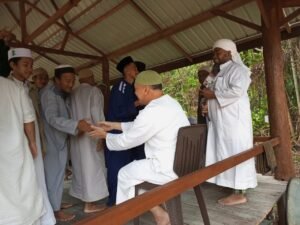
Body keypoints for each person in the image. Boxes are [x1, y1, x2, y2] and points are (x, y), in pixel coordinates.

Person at [89, 70, 190, 225]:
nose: (134, 94)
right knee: (134, 175)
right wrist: (114, 125)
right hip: (183, 164)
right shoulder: (171, 103)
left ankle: (129, 217)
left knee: (124, 174)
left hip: (165, 167)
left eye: (135, 90)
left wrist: (105, 136)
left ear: (145, 89)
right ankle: (160, 212)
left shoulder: (152, 111)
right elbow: (140, 127)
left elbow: (128, 141)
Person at [200, 39, 257, 206]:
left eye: (218, 52)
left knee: (236, 152)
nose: (214, 55)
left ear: (229, 53)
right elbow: (206, 88)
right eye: (214, 52)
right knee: (224, 153)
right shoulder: (218, 72)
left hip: (234, 123)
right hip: (222, 124)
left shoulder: (239, 70)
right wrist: (208, 104)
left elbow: (237, 91)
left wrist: (214, 96)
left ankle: (239, 193)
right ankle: (231, 185)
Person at [7, 48, 56, 225]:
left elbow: (37, 119)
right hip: (17, 144)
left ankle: (44, 217)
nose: (29, 69)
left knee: (38, 178)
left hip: (34, 141)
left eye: (31, 65)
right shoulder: (7, 87)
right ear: (12, 65)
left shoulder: (32, 89)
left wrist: (38, 143)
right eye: (25, 65)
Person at [40, 65, 92, 222]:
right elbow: (52, 118)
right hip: (52, 143)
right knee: (53, 177)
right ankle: (54, 212)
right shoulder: (49, 94)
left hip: (59, 141)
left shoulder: (60, 93)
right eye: (67, 81)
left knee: (57, 176)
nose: (71, 84)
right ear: (56, 80)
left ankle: (55, 204)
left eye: (73, 81)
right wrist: (76, 125)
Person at [0, 77, 44, 225]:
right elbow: (28, 120)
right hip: (16, 147)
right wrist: (32, 142)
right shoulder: (14, 88)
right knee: (22, 185)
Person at [105, 56, 146, 206]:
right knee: (118, 169)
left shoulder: (134, 87)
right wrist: (137, 103)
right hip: (118, 134)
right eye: (134, 68)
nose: (136, 71)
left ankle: (132, 200)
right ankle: (114, 204)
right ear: (126, 70)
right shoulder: (120, 86)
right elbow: (118, 112)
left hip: (133, 134)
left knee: (135, 166)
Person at [69, 68, 108, 213]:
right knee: (93, 168)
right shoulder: (94, 91)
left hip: (76, 134)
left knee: (80, 168)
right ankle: (90, 204)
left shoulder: (72, 93)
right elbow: (97, 114)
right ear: (91, 77)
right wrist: (101, 135)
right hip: (91, 134)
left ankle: (85, 199)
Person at [29, 67, 49, 156]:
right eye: (40, 78)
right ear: (33, 79)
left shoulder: (46, 92)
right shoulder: (29, 91)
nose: (43, 81)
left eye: (45, 78)